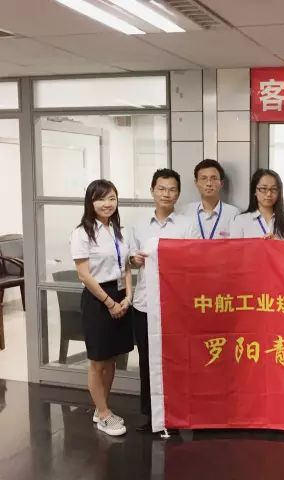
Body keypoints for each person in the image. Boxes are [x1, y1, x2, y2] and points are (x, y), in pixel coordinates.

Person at [128, 168, 195, 432]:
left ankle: (176, 416)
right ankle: (151, 416)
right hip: (145, 304)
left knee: (176, 362)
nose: (166, 194)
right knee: (147, 361)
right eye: (162, 189)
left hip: (176, 306)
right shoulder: (139, 225)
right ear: (152, 190)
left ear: (178, 193)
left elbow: (194, 261)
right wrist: (134, 259)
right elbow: (129, 258)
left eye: (172, 189)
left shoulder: (187, 225)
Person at [71, 179, 133, 437]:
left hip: (120, 294)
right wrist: (109, 303)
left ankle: (101, 409)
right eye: (101, 199)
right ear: (91, 202)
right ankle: (105, 414)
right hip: (98, 298)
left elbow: (126, 266)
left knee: (111, 357)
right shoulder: (82, 233)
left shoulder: (118, 230)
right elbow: (84, 275)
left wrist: (128, 297)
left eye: (112, 198)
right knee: (98, 361)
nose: (107, 203)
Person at [182, 159, 239, 239]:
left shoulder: (233, 213)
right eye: (204, 178)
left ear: (221, 183)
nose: (209, 183)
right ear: (196, 183)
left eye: (214, 178)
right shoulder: (185, 212)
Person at [230, 169, 284, 240]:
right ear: (254, 191)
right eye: (263, 188)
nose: (269, 194)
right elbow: (235, 247)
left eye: (274, 189)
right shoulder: (241, 220)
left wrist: (279, 243)